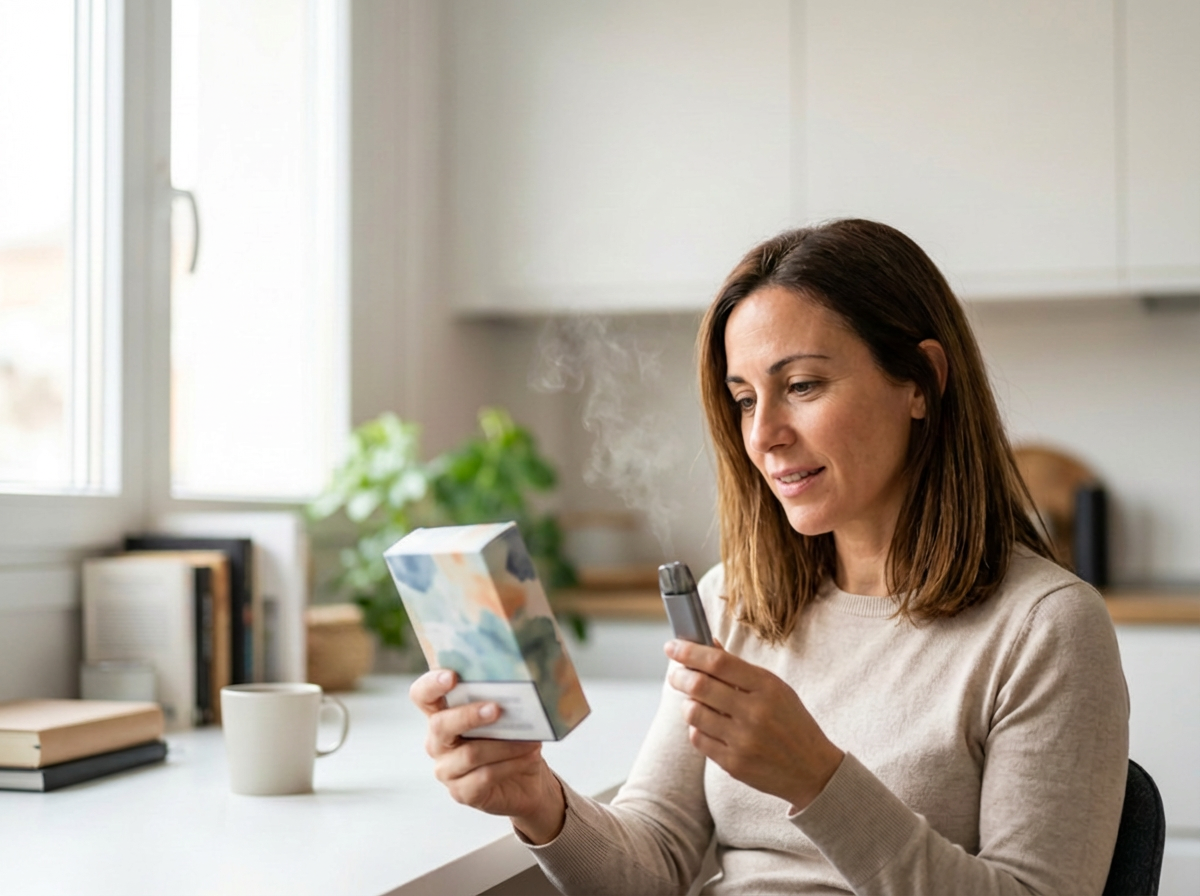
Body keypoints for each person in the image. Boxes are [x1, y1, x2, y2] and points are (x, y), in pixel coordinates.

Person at [410, 219, 1129, 894]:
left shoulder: (1047, 629)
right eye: (746, 399)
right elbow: (654, 860)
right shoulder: (734, 603)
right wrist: (539, 801)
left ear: (921, 381)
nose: (765, 435)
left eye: (803, 386)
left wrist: (818, 780)